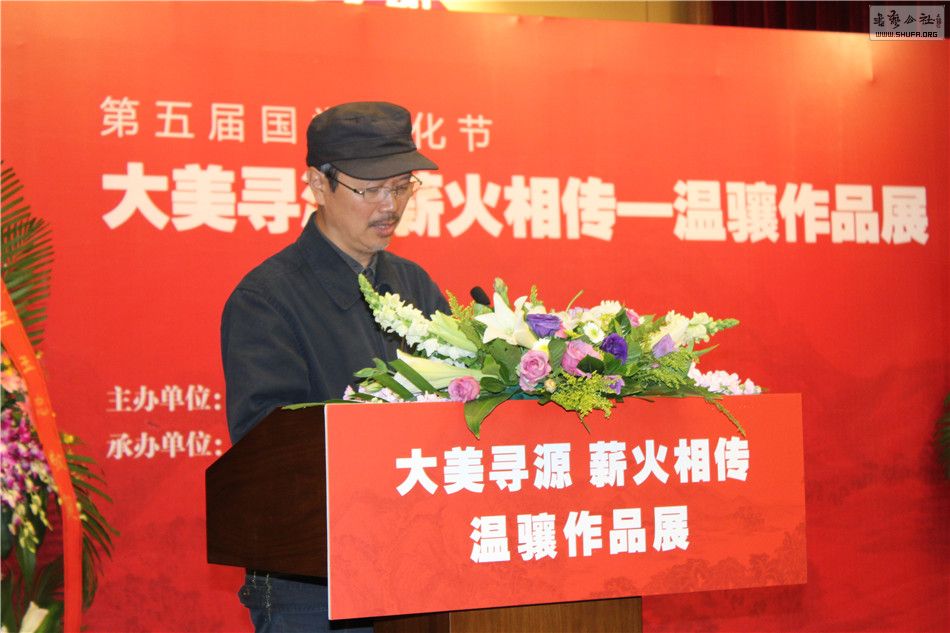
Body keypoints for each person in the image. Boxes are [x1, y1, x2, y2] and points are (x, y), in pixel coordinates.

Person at [220, 101, 449, 632]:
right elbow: (270, 454)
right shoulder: (266, 300)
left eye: (402, 187)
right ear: (317, 185)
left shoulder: (415, 285)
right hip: (314, 588)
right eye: (371, 189)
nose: (390, 205)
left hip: (415, 570)